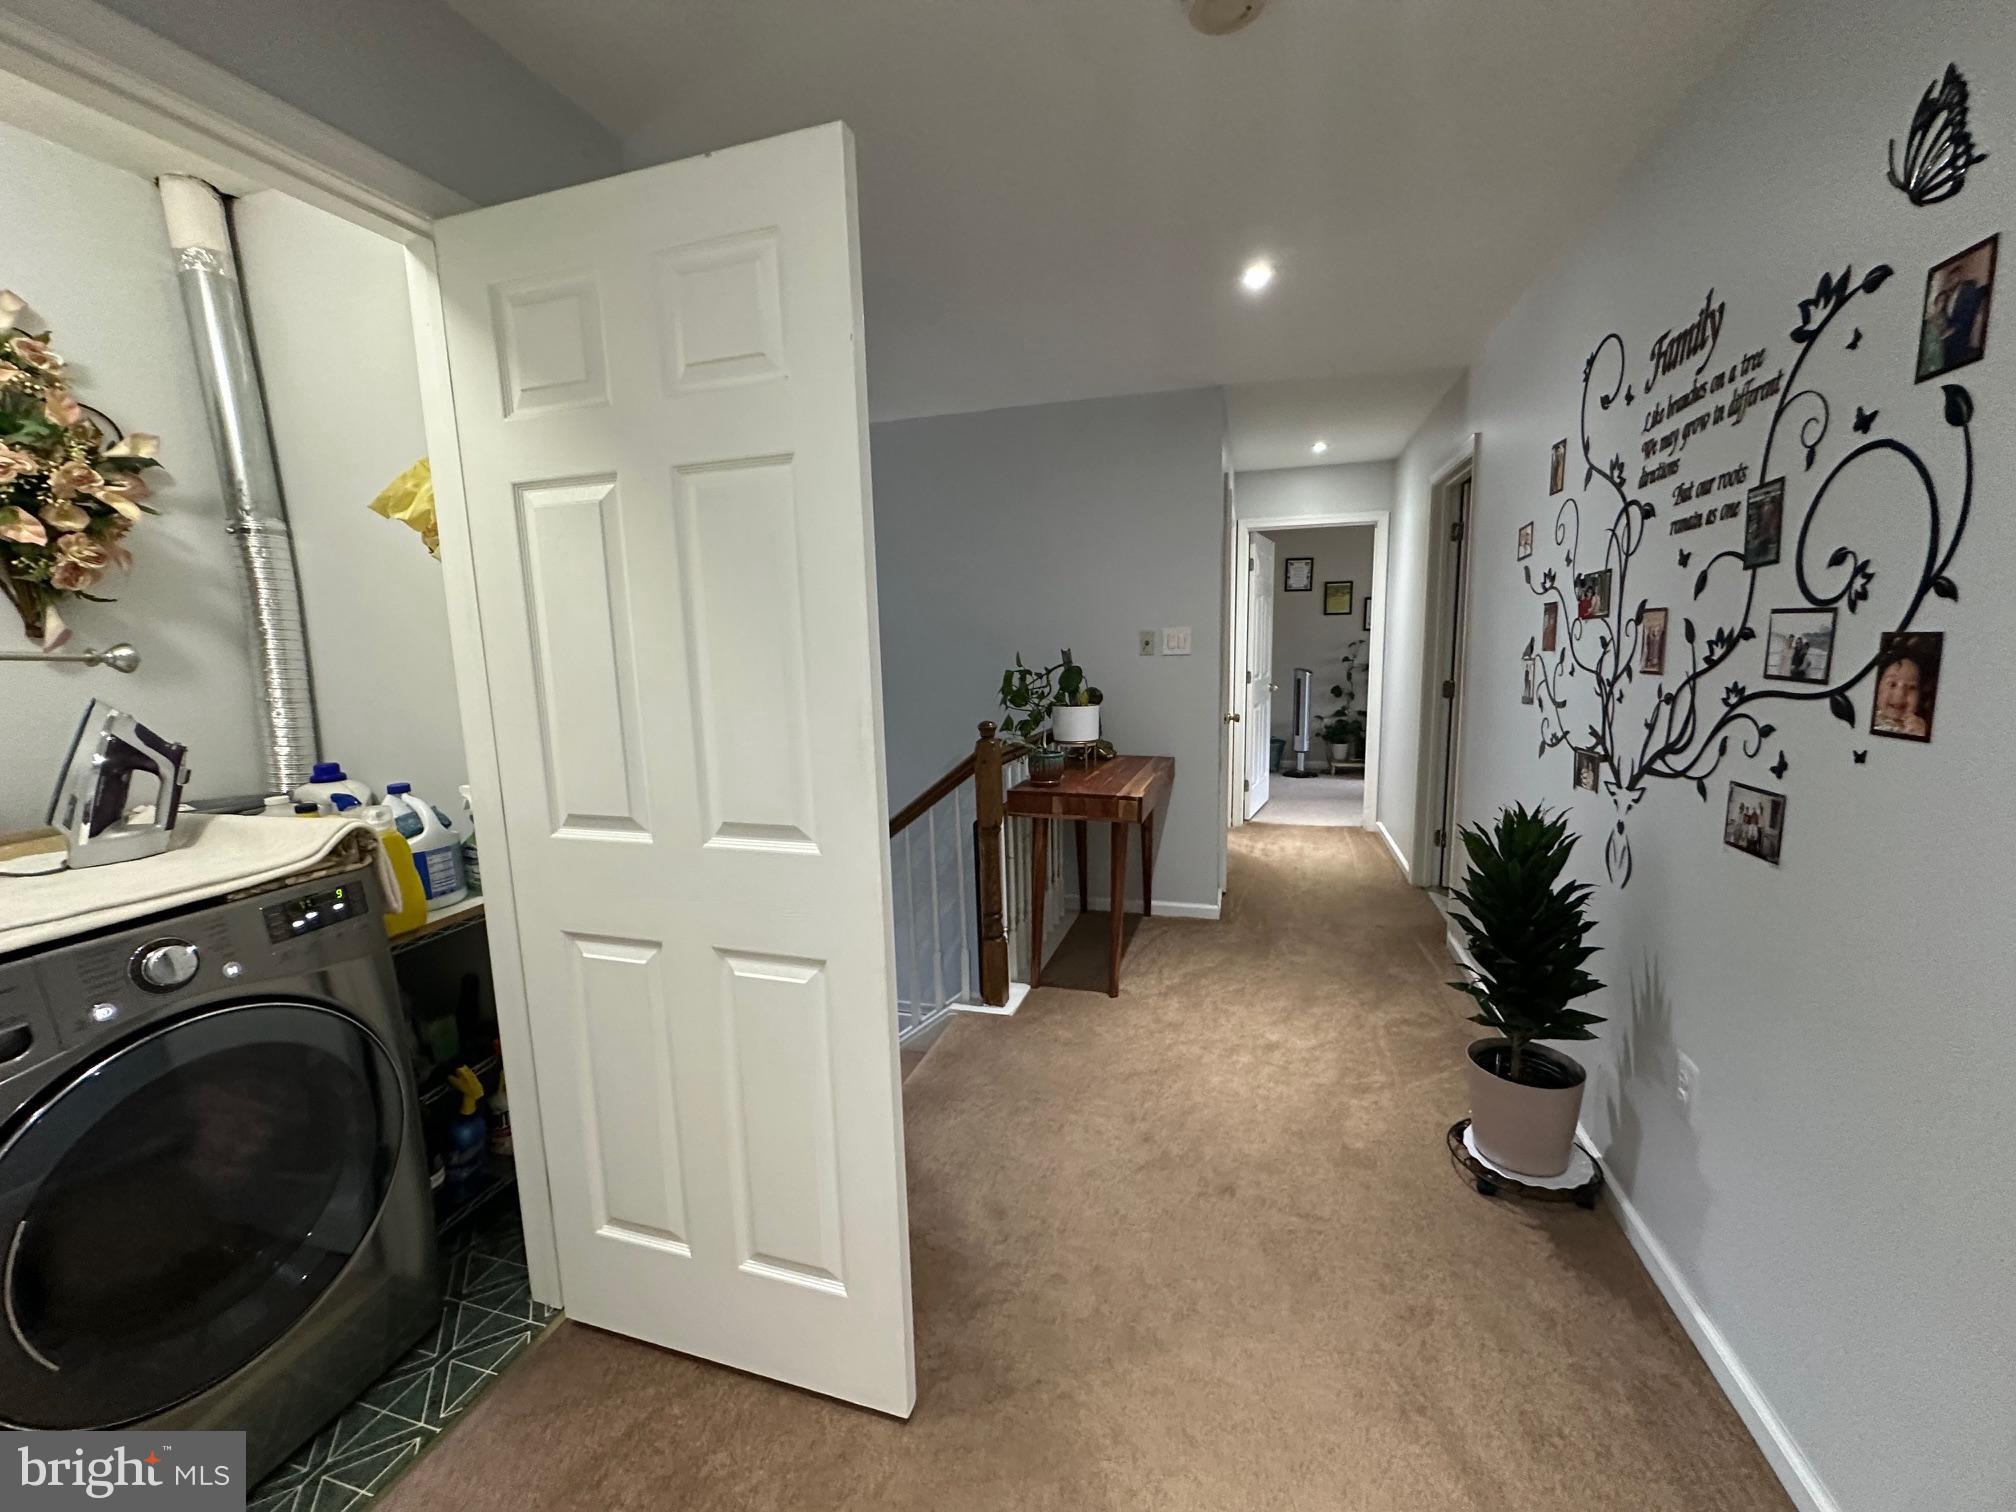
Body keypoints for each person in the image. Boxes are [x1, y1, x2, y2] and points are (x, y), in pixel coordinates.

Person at [1872, 637, 1936, 738]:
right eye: (1892, 684)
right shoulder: (1871, 718)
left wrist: (1922, 733)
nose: (1900, 694)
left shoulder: (1919, 726)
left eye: (1912, 687)